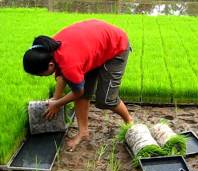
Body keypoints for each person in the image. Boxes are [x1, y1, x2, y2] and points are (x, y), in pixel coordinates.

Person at [23, 19, 133, 151]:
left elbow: (78, 92)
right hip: (93, 47)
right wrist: (55, 98)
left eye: (41, 74)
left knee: (106, 100)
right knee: (83, 91)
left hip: (115, 46)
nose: (42, 77)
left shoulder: (69, 62)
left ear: (50, 65)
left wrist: (57, 104)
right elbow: (63, 77)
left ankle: (129, 122)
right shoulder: (49, 50)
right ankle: (83, 132)